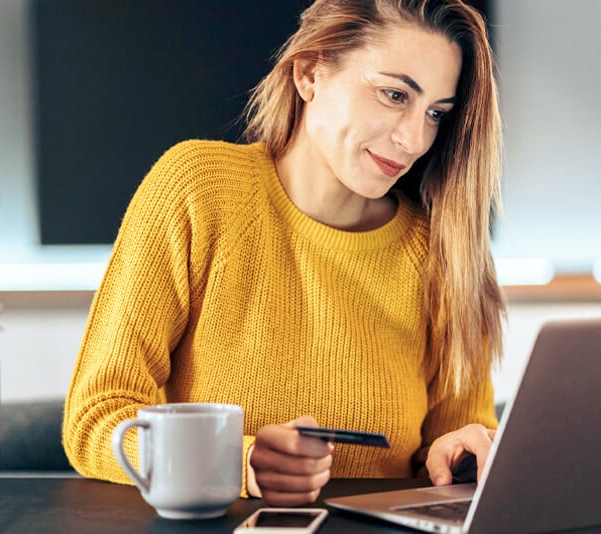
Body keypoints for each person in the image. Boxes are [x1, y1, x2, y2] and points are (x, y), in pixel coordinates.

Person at [63, 0, 506, 507]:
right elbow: (98, 415)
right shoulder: (197, 192)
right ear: (310, 74)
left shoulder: (443, 247)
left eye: (435, 114)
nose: (414, 137)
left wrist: (456, 452)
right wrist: (237, 464)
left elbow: (457, 443)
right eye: (393, 94)